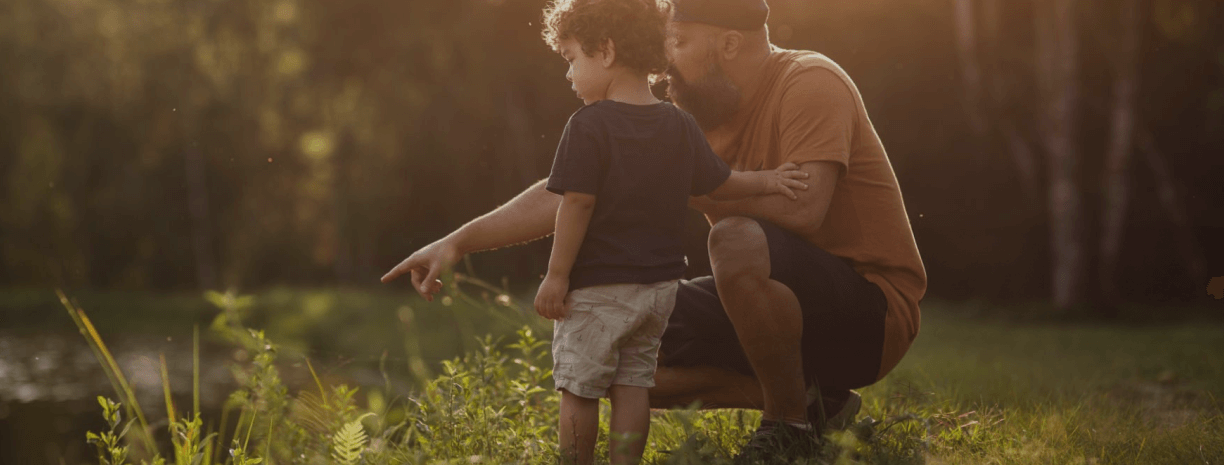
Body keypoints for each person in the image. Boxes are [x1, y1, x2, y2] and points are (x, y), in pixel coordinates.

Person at [383, 0, 926, 461]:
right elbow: (570, 189)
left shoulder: (810, 82)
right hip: (764, 303)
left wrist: (674, 188)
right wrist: (457, 242)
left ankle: (789, 431)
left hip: (869, 315)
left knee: (732, 239)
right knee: (617, 336)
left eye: (679, 43)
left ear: (729, 44)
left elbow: (807, 211)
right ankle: (816, 404)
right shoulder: (694, 113)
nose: (665, 63)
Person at [533, 1, 809, 463]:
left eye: (571, 58)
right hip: (657, 290)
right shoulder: (678, 123)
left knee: (579, 387)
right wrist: (769, 180)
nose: (569, 74)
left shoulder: (588, 125)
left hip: (598, 287)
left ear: (606, 51)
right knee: (632, 384)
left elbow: (576, 203)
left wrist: (557, 276)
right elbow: (720, 182)